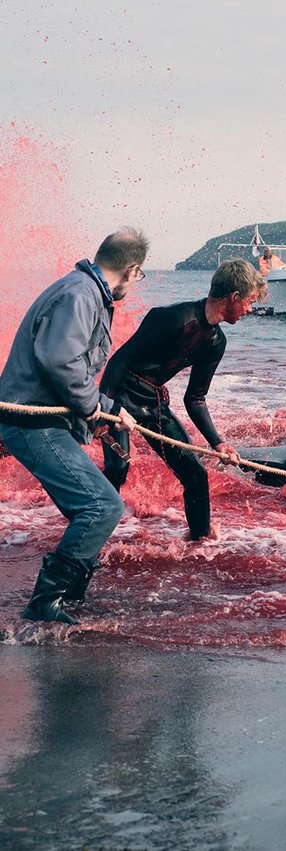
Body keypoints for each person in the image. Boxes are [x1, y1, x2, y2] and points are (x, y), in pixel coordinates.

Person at [0, 227, 149, 624]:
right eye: (140, 277)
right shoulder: (81, 295)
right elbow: (60, 363)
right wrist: (96, 407)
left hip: (37, 420)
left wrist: (103, 408)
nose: (136, 284)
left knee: (93, 507)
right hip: (31, 423)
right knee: (101, 506)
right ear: (132, 270)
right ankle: (45, 605)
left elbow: (69, 365)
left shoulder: (82, 290)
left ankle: (70, 598)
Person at [99, 259, 266, 541]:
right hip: (119, 396)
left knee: (196, 475)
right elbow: (119, 361)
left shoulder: (216, 342)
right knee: (118, 467)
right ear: (234, 297)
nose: (250, 309)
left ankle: (200, 546)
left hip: (152, 403)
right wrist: (104, 412)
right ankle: (90, 535)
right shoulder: (172, 317)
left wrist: (218, 442)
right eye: (249, 301)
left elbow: (195, 397)